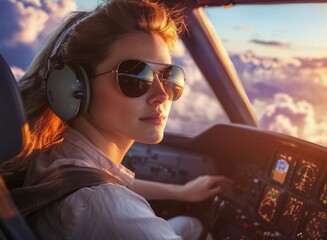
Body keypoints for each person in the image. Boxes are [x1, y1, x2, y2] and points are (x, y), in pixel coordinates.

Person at [0, 0, 231, 239]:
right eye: (135, 77)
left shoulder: (49, 154)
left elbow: (94, 178)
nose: (162, 95)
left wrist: (181, 192)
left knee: (189, 223)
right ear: (73, 86)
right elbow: (105, 200)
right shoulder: (109, 208)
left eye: (168, 75)